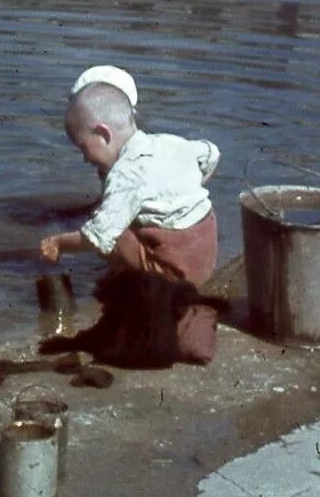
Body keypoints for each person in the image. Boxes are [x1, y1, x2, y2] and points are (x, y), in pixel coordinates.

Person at [39, 67, 222, 365]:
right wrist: (184, 192)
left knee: (109, 228)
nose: (84, 158)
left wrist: (59, 243)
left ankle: (148, 282)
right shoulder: (167, 142)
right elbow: (211, 153)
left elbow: (98, 237)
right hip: (203, 246)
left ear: (103, 133)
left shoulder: (127, 173)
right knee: (121, 216)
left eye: (84, 148)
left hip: (176, 266)